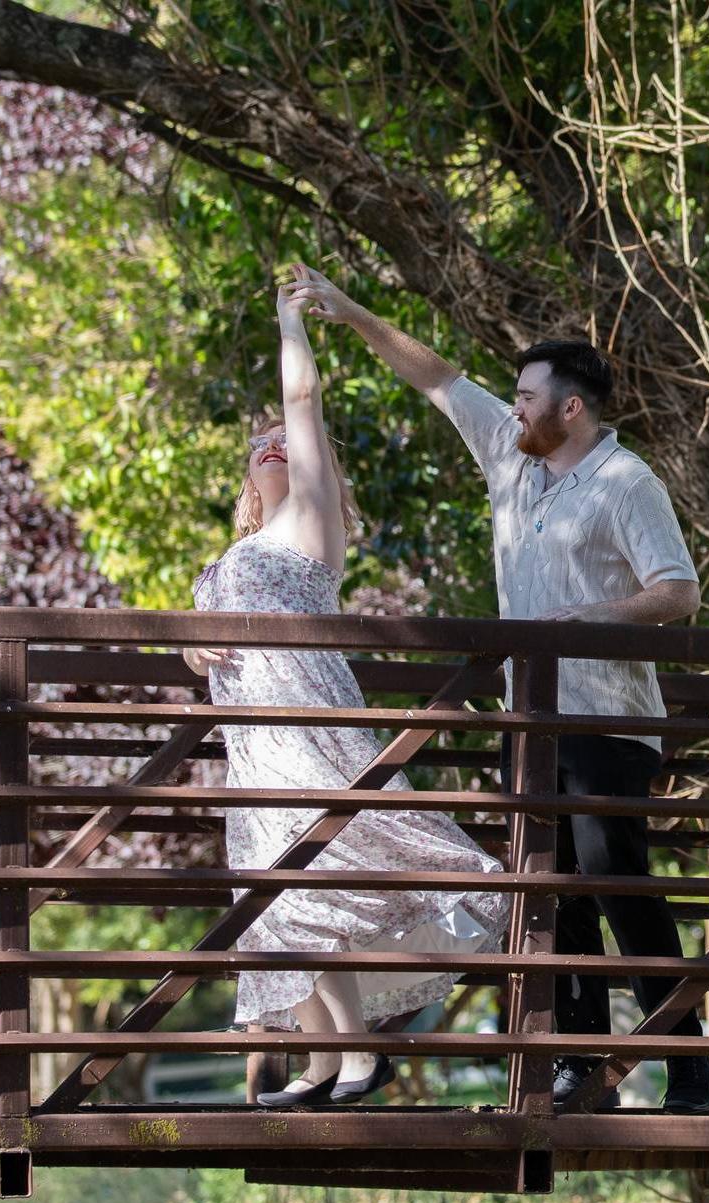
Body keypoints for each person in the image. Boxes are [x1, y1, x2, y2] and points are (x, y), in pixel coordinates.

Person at [286, 264, 709, 1114]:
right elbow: (438, 377)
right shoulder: (511, 460)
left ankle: (690, 1068)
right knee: (554, 894)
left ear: (571, 409)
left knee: (617, 882)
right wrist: (351, 311)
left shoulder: (628, 483)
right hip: (532, 724)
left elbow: (679, 592)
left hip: (608, 723)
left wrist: (587, 619)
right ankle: (577, 1066)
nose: (513, 408)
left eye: (526, 397)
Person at [185, 265, 509, 1109]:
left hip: (307, 728)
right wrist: (193, 647)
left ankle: (360, 1055)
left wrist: (292, 322)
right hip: (252, 746)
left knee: (310, 876)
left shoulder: (309, 522)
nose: (274, 446)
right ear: (245, 478)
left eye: (285, 442)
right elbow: (210, 640)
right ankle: (327, 1060)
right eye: (259, 446)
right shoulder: (233, 556)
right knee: (273, 899)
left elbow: (303, 404)